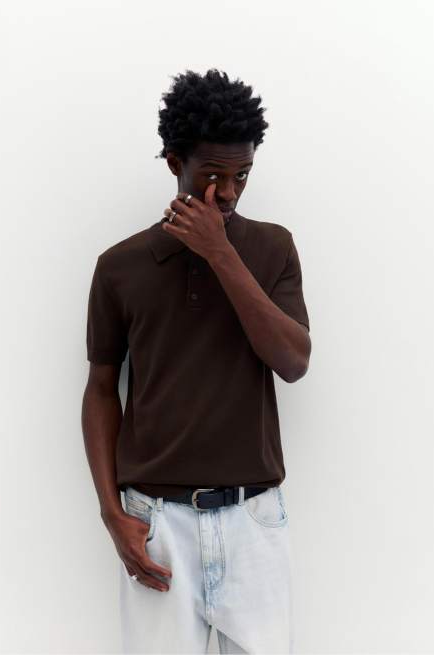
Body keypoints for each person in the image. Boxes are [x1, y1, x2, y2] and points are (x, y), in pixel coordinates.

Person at [81, 68, 311, 654]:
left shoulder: (273, 248)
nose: (229, 191)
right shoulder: (120, 267)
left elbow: (293, 361)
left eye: (242, 175)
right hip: (157, 522)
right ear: (174, 163)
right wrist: (111, 513)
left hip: (253, 519)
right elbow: (102, 387)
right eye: (213, 174)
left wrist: (220, 253)